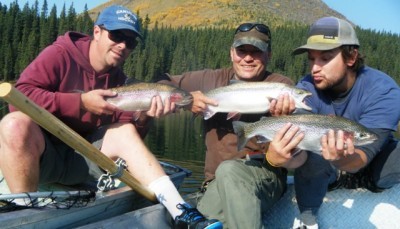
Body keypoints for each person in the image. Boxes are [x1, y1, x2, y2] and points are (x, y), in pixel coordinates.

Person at [0, 5, 222, 229]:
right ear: (97, 32)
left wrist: (145, 117)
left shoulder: (122, 82)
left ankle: (181, 213)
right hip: (42, 157)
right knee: (14, 124)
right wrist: (80, 103)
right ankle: (23, 215)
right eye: (116, 35)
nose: (123, 45)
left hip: (83, 163)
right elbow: (21, 97)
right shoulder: (60, 55)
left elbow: (127, 138)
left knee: (124, 131)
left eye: (131, 41)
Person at [159, 22, 305, 228]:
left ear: (269, 55)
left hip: (265, 177)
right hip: (214, 183)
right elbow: (161, 83)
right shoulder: (211, 79)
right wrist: (187, 100)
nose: (247, 58)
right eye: (241, 51)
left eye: (256, 52)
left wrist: (282, 118)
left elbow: (297, 145)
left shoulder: (280, 86)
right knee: (197, 221)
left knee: (229, 171)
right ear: (231, 53)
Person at [290, 16, 400, 228]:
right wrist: (281, 156)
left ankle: (364, 181)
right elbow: (300, 153)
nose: (314, 68)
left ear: (351, 57)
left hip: (371, 161)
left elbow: (365, 152)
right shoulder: (306, 87)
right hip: (325, 164)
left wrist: (343, 160)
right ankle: (307, 219)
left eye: (325, 58)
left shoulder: (384, 91)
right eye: (311, 59)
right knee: (310, 155)